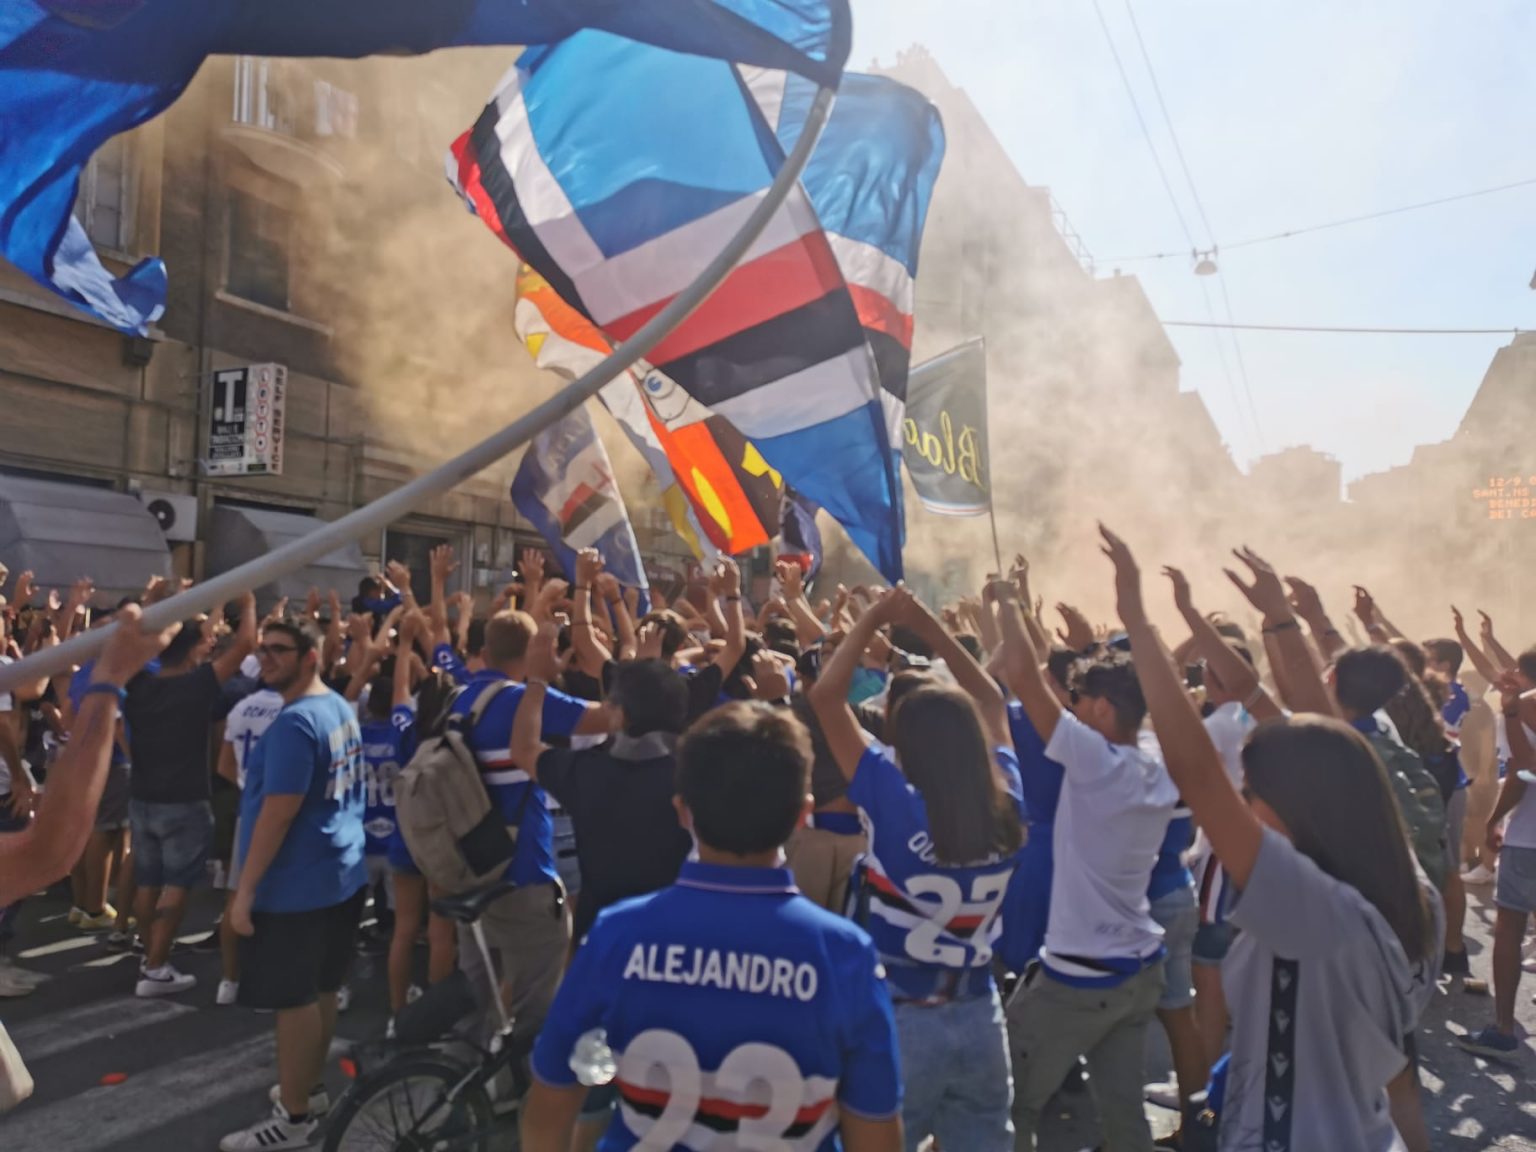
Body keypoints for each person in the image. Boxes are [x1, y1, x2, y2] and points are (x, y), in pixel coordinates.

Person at [1103, 529, 1441, 1152]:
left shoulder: (1314, 909)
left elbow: (1198, 774)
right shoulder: (1398, 881)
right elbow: (1326, 745)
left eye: (1251, 793)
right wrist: (1283, 620)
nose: (1244, 807)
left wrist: (1139, 621)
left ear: (1294, 807)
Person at [520, 701, 903, 1152]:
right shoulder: (845, 954)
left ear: (683, 810)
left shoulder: (617, 935)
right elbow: (876, 1137)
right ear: (803, 815)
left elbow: (549, 1107)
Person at [811, 586, 1022, 1152]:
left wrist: (876, 615)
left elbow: (826, 697)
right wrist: (928, 625)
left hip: (901, 1019)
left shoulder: (891, 796)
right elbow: (993, 700)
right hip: (980, 1013)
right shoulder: (1008, 803)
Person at [994, 578, 1177, 1152]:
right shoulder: (1158, 757)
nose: (1069, 711)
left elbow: (1022, 676)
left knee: (1008, 1104)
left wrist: (1008, 605)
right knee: (1124, 1116)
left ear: (1101, 707)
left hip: (1077, 976)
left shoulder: (1095, 760)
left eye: (1078, 702)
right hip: (1139, 968)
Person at [220, 615, 369, 1152]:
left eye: (280, 650)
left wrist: (246, 892)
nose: (266, 659)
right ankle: (307, 1089)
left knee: (295, 999)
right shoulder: (337, 707)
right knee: (323, 990)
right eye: (264, 649)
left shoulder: (296, 723)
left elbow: (278, 813)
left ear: (311, 657)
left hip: (300, 882)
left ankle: (296, 1116)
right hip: (340, 870)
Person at [449, 606, 613, 1032]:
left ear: (484, 651)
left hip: (468, 868)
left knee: (478, 1004)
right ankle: (524, 1093)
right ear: (534, 654)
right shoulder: (526, 699)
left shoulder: (460, 697)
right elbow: (614, 715)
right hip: (525, 871)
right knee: (536, 1007)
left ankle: (464, 1083)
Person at [125, 593, 256, 997]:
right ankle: (157, 965)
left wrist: (153, 610)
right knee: (178, 884)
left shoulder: (137, 681)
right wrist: (248, 601)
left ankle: (151, 957)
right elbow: (248, 644)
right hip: (185, 800)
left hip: (143, 796)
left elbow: (122, 641)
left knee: (148, 881)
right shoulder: (199, 684)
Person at [1458, 662, 1536, 1060]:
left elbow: (1525, 772)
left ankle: (1505, 1028)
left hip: (1528, 839)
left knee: (1509, 930)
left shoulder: (1522, 709)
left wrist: (1492, 821)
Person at [212, 672, 284, 1006]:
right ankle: (271, 978)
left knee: (237, 895)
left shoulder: (242, 707)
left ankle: (229, 979)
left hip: (249, 807)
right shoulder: (295, 707)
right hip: (283, 812)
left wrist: (246, 785)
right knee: (280, 901)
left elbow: (225, 766)